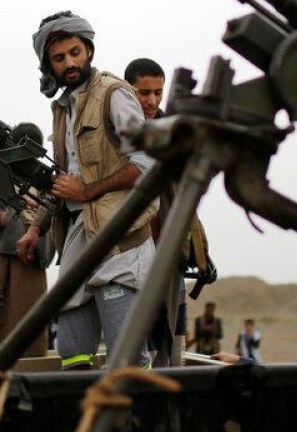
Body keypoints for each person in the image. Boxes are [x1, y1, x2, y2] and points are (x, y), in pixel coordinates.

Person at [17, 12, 157, 371]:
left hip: (119, 238)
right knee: (73, 349)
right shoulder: (63, 109)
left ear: (89, 50)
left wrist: (88, 190)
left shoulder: (114, 94)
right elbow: (65, 181)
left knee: (125, 353)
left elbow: (146, 164)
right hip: (78, 239)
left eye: (75, 53)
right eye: (59, 58)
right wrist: (35, 228)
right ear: (49, 65)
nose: (69, 63)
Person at [0, 122, 54, 360]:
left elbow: (54, 210)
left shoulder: (44, 178)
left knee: (29, 315)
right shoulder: (0, 174)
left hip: (33, 257)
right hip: (6, 253)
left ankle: (30, 362)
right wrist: (2, 217)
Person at [124, 57, 188, 367]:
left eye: (158, 93)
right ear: (128, 91)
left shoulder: (173, 133)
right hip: (127, 245)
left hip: (167, 243)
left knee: (167, 334)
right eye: (144, 93)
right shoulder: (117, 133)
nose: (152, 101)